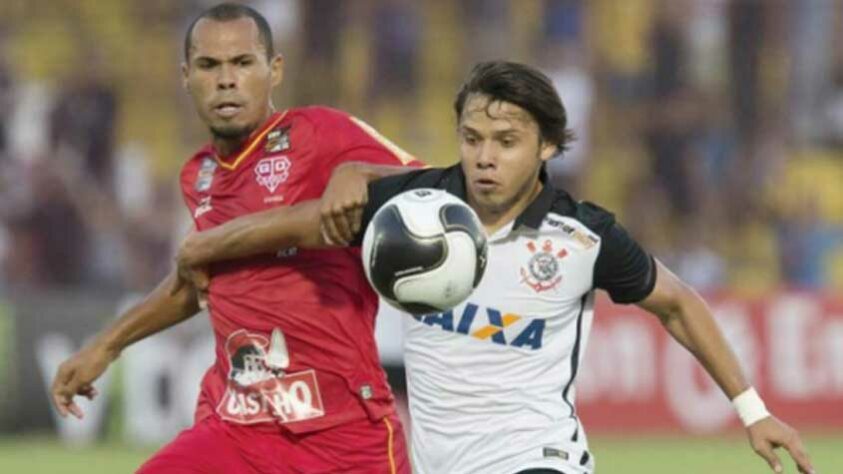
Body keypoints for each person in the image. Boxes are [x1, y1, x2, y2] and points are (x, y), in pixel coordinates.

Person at [175, 61, 816, 474]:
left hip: (540, 457)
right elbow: (303, 222)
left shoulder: (583, 236)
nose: (485, 158)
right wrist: (208, 245)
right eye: (473, 138)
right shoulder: (414, 208)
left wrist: (753, 409)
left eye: (506, 143)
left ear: (545, 148)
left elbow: (678, 303)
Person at [50, 3, 420, 473]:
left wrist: (362, 172)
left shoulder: (321, 133)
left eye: (243, 63)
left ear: (275, 70)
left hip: (341, 433)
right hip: (237, 431)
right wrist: (105, 346)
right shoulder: (198, 174)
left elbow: (437, 186)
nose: (227, 79)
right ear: (186, 76)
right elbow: (195, 281)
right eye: (210, 65)